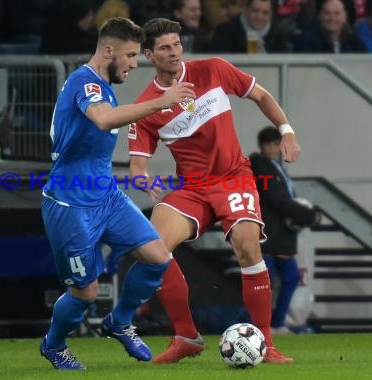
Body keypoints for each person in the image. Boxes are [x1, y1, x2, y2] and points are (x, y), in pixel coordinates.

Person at [129, 17, 300, 364]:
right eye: (164, 47)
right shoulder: (147, 106)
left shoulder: (213, 69)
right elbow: (137, 167)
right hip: (192, 188)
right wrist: (146, 180)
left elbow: (261, 94)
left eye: (177, 44)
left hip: (233, 177)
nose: (174, 52)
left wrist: (286, 130)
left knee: (247, 245)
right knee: (152, 247)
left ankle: (265, 344)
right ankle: (186, 336)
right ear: (149, 54)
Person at [39, 17, 196, 370]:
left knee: (158, 256)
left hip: (105, 195)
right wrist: (161, 101)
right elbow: (104, 119)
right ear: (108, 50)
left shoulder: (104, 85)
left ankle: (120, 321)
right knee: (86, 292)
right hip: (71, 203)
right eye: (128, 55)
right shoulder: (86, 82)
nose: (133, 63)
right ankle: (54, 344)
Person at [249, 126, 321, 335]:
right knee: (264, 284)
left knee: (289, 277)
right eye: (279, 144)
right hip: (267, 235)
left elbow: (282, 199)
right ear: (269, 145)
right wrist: (308, 216)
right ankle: (260, 326)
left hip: (280, 235)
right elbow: (278, 201)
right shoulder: (262, 167)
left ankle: (277, 323)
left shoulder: (272, 167)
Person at [210, 0, 290, 53]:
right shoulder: (226, 32)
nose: (259, 17)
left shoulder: (277, 35)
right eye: (255, 11)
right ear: (246, 9)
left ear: (271, 15)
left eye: (265, 13)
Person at [293, 0, 366, 53]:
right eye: (327, 13)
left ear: (345, 17)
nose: (332, 18)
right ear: (319, 16)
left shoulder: (354, 42)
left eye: (337, 14)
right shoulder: (305, 42)